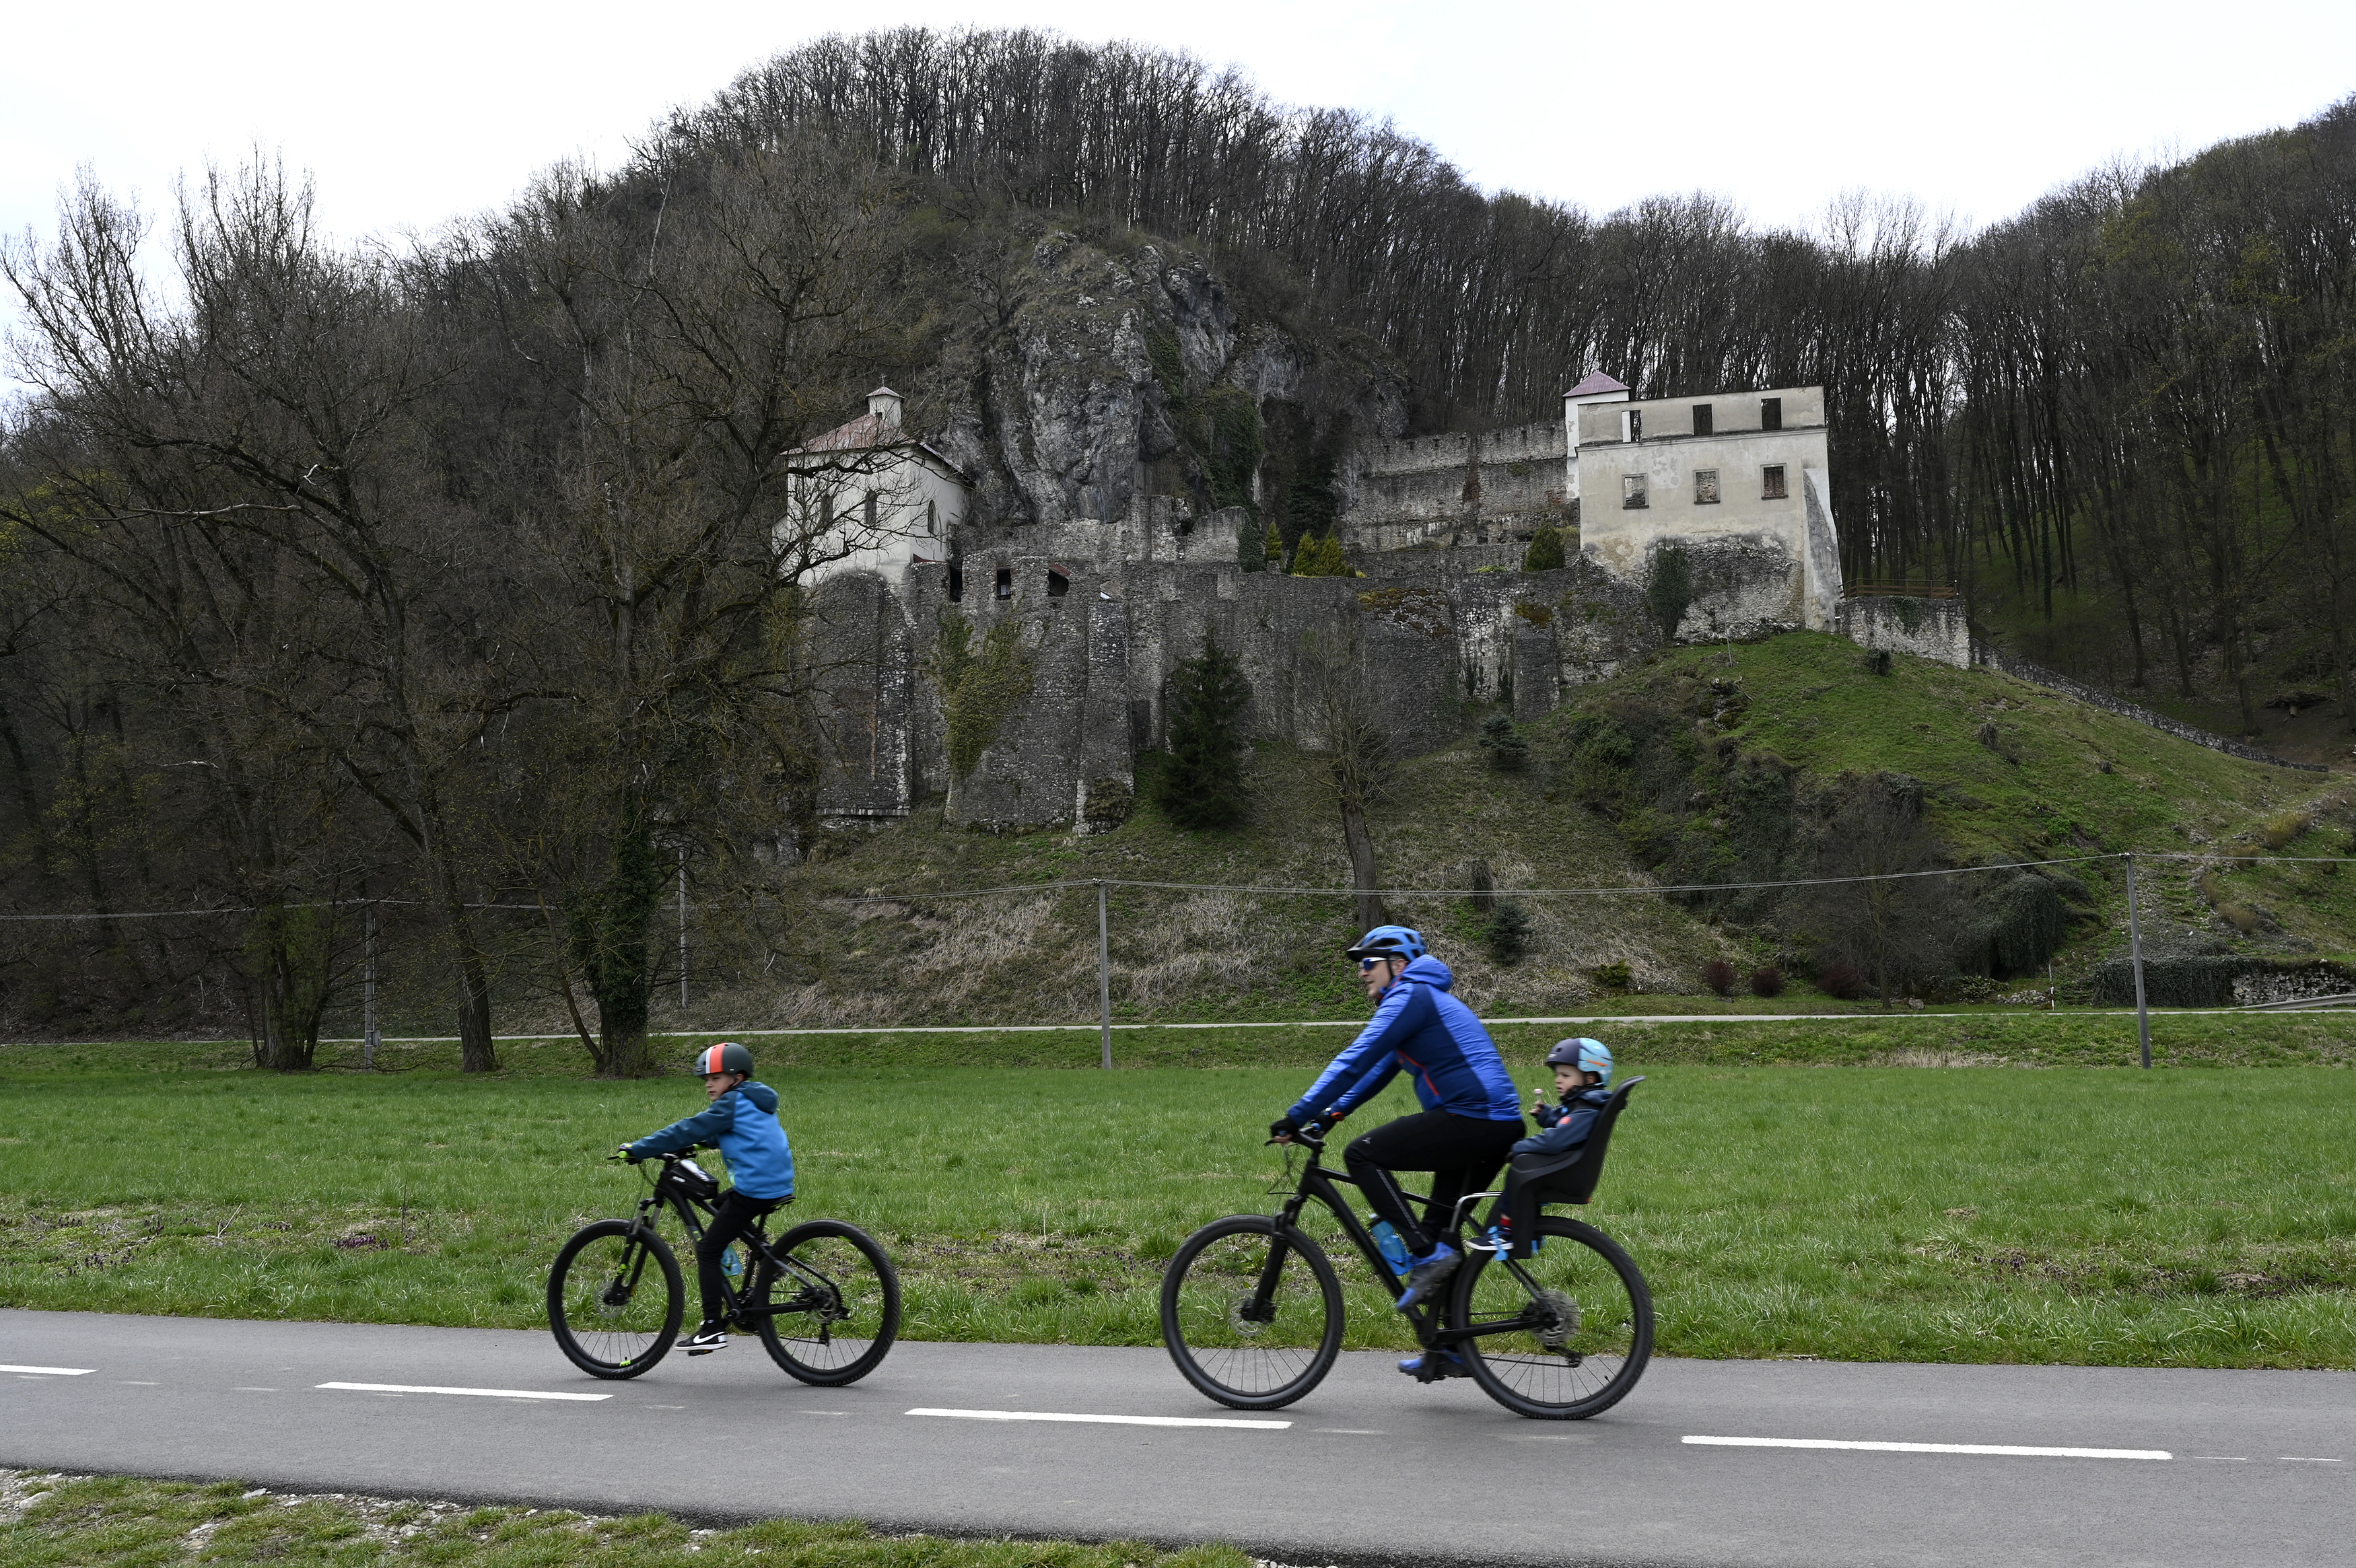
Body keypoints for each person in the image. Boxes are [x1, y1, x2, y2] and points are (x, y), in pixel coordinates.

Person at [1270, 925, 1525, 1377]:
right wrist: (1329, 1115)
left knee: (1362, 1156)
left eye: (1369, 963)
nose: (1362, 973)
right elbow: (1377, 1072)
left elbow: (1356, 1058)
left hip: (1473, 1119)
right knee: (1440, 1232)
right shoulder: (1419, 999)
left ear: (1398, 965)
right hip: (1492, 1125)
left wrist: (1296, 1114)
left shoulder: (1409, 997)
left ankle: (1424, 1257)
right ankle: (1449, 1348)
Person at [615, 1042, 796, 1352]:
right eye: (706, 1079)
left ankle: (712, 1327)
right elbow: (719, 1133)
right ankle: (768, 1258)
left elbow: (689, 1128)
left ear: (736, 1078)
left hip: (755, 1188)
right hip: (776, 1184)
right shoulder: (753, 1099)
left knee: (709, 1250)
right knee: (719, 1204)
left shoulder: (731, 1104)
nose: (709, 1084)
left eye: (716, 1077)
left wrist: (641, 1148)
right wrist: (694, 1147)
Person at [1483, 1038, 1615, 1257]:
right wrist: (1548, 1116)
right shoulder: (1585, 1105)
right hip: (1566, 1167)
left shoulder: (1586, 1110)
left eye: (1565, 1075)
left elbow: (1556, 1141)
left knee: (1519, 1170)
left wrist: (1519, 1147)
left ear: (1590, 1078)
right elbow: (1565, 1122)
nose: (1558, 1081)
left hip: (1564, 1172)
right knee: (1522, 1171)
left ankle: (1507, 1232)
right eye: (1557, 1075)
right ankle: (1529, 1233)